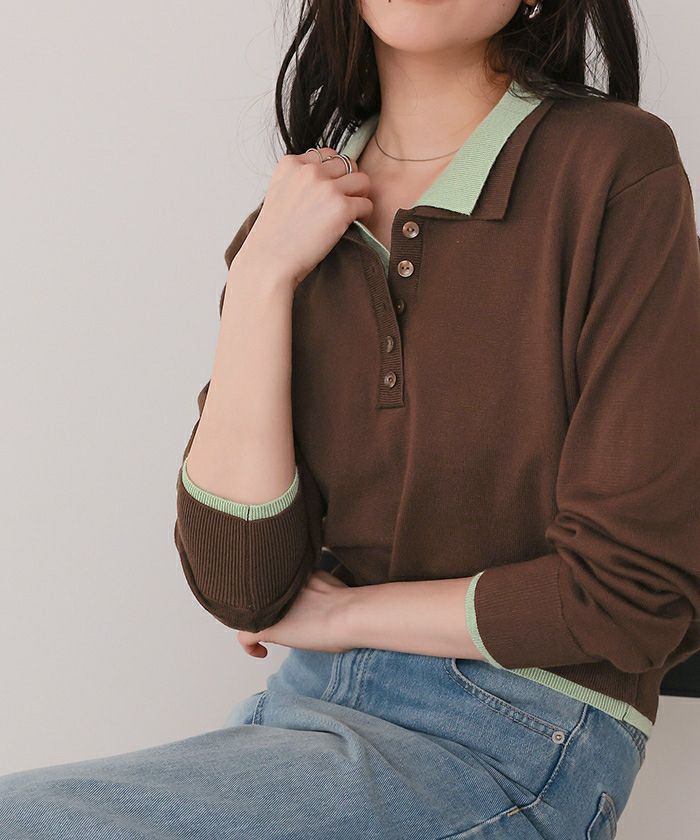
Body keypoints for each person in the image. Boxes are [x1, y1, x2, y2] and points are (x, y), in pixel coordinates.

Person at [1, 1, 698, 838]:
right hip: (307, 710)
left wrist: (343, 617)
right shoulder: (294, 221)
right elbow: (244, 588)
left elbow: (634, 594)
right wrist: (261, 275)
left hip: (521, 734)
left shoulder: (613, 165)